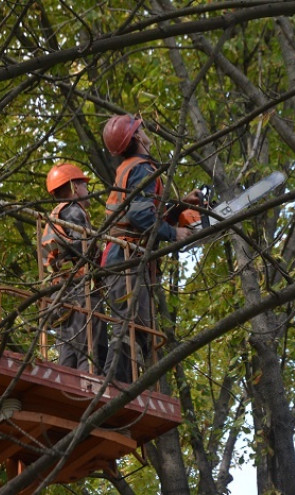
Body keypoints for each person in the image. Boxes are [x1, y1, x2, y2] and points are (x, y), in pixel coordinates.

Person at [100, 114, 199, 382]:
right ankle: (114, 388)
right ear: (136, 138)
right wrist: (173, 232)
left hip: (124, 256)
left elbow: (145, 214)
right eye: (140, 129)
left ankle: (121, 385)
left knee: (137, 327)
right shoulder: (143, 168)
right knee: (132, 326)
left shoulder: (132, 168)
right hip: (127, 258)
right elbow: (140, 217)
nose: (145, 131)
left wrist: (178, 206)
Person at [40, 162, 108, 373]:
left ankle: (66, 390)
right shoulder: (72, 212)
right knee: (92, 347)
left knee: (69, 349)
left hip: (61, 293)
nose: (87, 191)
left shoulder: (54, 216)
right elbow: (84, 247)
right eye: (84, 186)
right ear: (74, 187)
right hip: (80, 288)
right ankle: (94, 389)